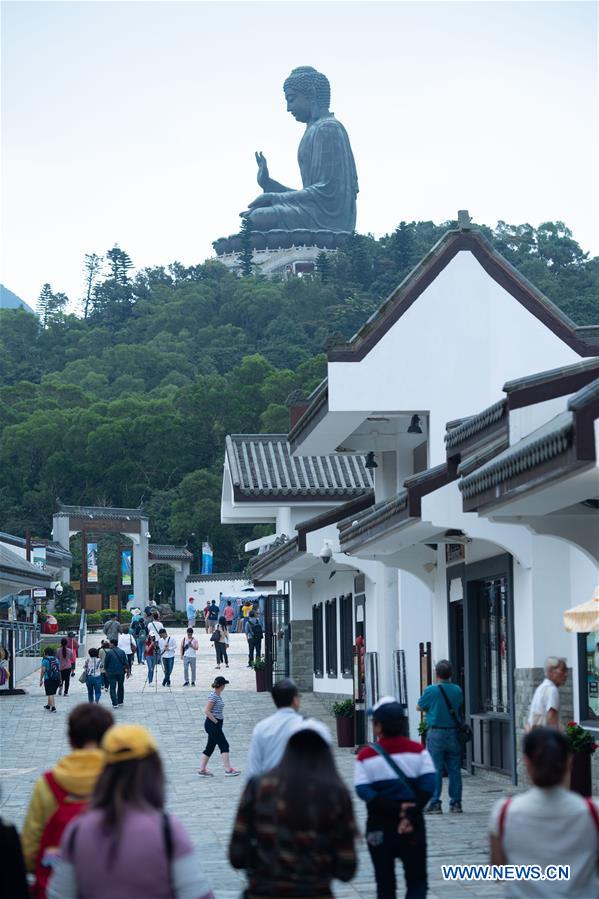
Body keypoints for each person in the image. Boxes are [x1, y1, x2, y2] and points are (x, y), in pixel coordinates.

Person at [47, 724, 215, 899]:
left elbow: (58, 894)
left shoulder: (77, 830)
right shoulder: (168, 830)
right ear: (154, 769)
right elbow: (198, 894)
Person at [230, 723, 357, 897]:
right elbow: (346, 868)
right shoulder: (336, 793)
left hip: (265, 890)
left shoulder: (259, 787)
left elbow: (237, 855)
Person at [243, 67, 358, 235]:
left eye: (291, 99)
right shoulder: (314, 130)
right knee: (256, 215)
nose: (288, 108)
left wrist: (275, 197)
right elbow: (311, 194)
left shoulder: (328, 129)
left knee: (259, 217)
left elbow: (327, 195)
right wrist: (268, 184)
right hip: (313, 210)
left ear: (310, 94)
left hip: (330, 220)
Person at [489, 728, 599, 898]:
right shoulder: (593, 812)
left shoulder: (504, 812)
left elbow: (498, 871)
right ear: (569, 763)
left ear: (527, 764)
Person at [21, 704, 113, 899]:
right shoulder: (122, 783)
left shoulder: (47, 784)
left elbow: (29, 850)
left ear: (71, 740)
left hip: (54, 884)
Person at [355, 698, 436, 899]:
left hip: (379, 824)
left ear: (379, 727)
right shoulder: (419, 751)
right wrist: (409, 812)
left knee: (384, 883)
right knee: (417, 880)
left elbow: (362, 790)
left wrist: (391, 807)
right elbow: (428, 785)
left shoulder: (366, 755)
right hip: (413, 823)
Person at [416, 659, 465, 813]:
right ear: (451, 673)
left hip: (436, 733)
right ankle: (456, 803)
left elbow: (419, 706)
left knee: (436, 769)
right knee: (454, 770)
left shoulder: (431, 690)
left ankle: (435, 803)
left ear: (436, 674)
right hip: (453, 733)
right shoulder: (457, 690)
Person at [246, 678, 304, 779]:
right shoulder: (312, 726)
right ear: (295, 700)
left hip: (272, 788)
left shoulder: (261, 728)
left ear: (274, 700)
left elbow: (254, 771)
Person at [198, 677, 240, 777]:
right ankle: (228, 769)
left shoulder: (217, 695)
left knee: (210, 747)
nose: (225, 686)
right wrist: (216, 722)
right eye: (224, 684)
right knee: (224, 745)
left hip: (214, 724)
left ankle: (202, 770)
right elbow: (207, 710)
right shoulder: (213, 696)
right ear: (221, 685)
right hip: (212, 724)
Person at [527, 656, 568, 730]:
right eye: (563, 670)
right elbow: (552, 719)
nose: (566, 674)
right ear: (551, 671)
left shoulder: (541, 688)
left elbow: (528, 725)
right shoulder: (551, 690)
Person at [104, 639, 130, 709]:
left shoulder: (109, 653)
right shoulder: (122, 652)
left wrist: (105, 670)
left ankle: (115, 703)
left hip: (111, 672)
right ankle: (120, 701)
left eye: (110, 643)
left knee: (112, 687)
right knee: (121, 686)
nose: (109, 644)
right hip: (121, 672)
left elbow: (106, 663)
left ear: (113, 644)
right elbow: (126, 662)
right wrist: (128, 671)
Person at [40, 646, 61, 711]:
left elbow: (43, 671)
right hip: (56, 678)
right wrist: (60, 679)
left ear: (46, 653)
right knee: (50, 692)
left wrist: (41, 679)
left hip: (48, 678)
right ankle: (48, 705)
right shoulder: (56, 659)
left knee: (50, 693)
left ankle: (53, 707)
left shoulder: (45, 660)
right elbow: (59, 670)